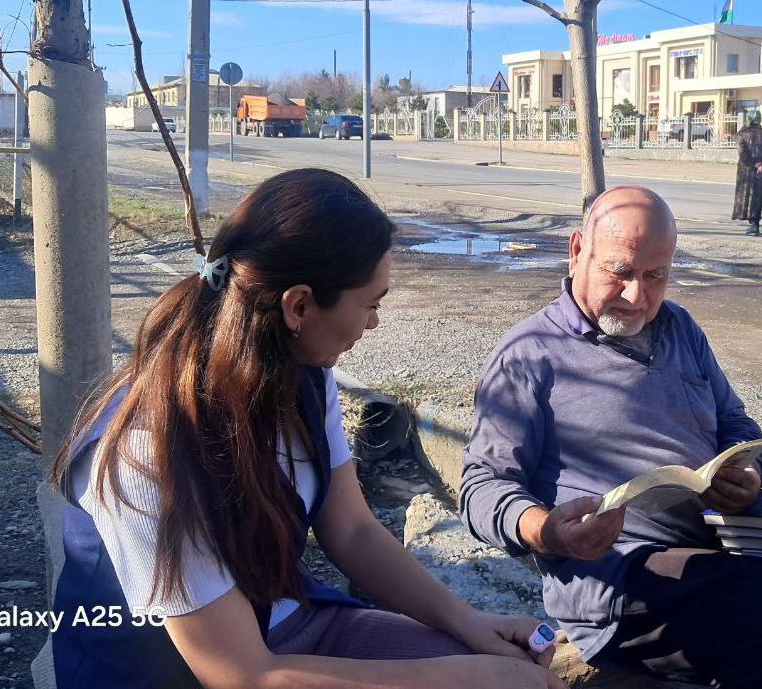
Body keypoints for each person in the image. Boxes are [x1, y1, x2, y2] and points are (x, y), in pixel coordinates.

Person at [49, 168, 562, 689]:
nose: (374, 323)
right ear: (298, 306)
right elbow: (242, 675)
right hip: (175, 673)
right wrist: (459, 677)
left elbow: (352, 529)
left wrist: (469, 623)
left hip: (289, 627)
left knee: (512, 671)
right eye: (371, 304)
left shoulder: (307, 376)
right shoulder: (145, 452)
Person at [460, 186, 762, 689]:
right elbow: (481, 485)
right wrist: (547, 531)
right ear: (577, 251)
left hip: (720, 542)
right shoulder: (529, 354)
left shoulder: (679, 327)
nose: (636, 296)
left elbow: (737, 424)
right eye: (620, 272)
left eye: (656, 276)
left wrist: (748, 472)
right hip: (619, 575)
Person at [731, 115, 762, 235]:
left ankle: (753, 225)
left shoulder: (741, 135)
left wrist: (754, 164)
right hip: (761, 172)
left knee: (746, 196)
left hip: (745, 171)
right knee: (757, 196)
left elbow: (742, 153)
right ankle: (755, 223)